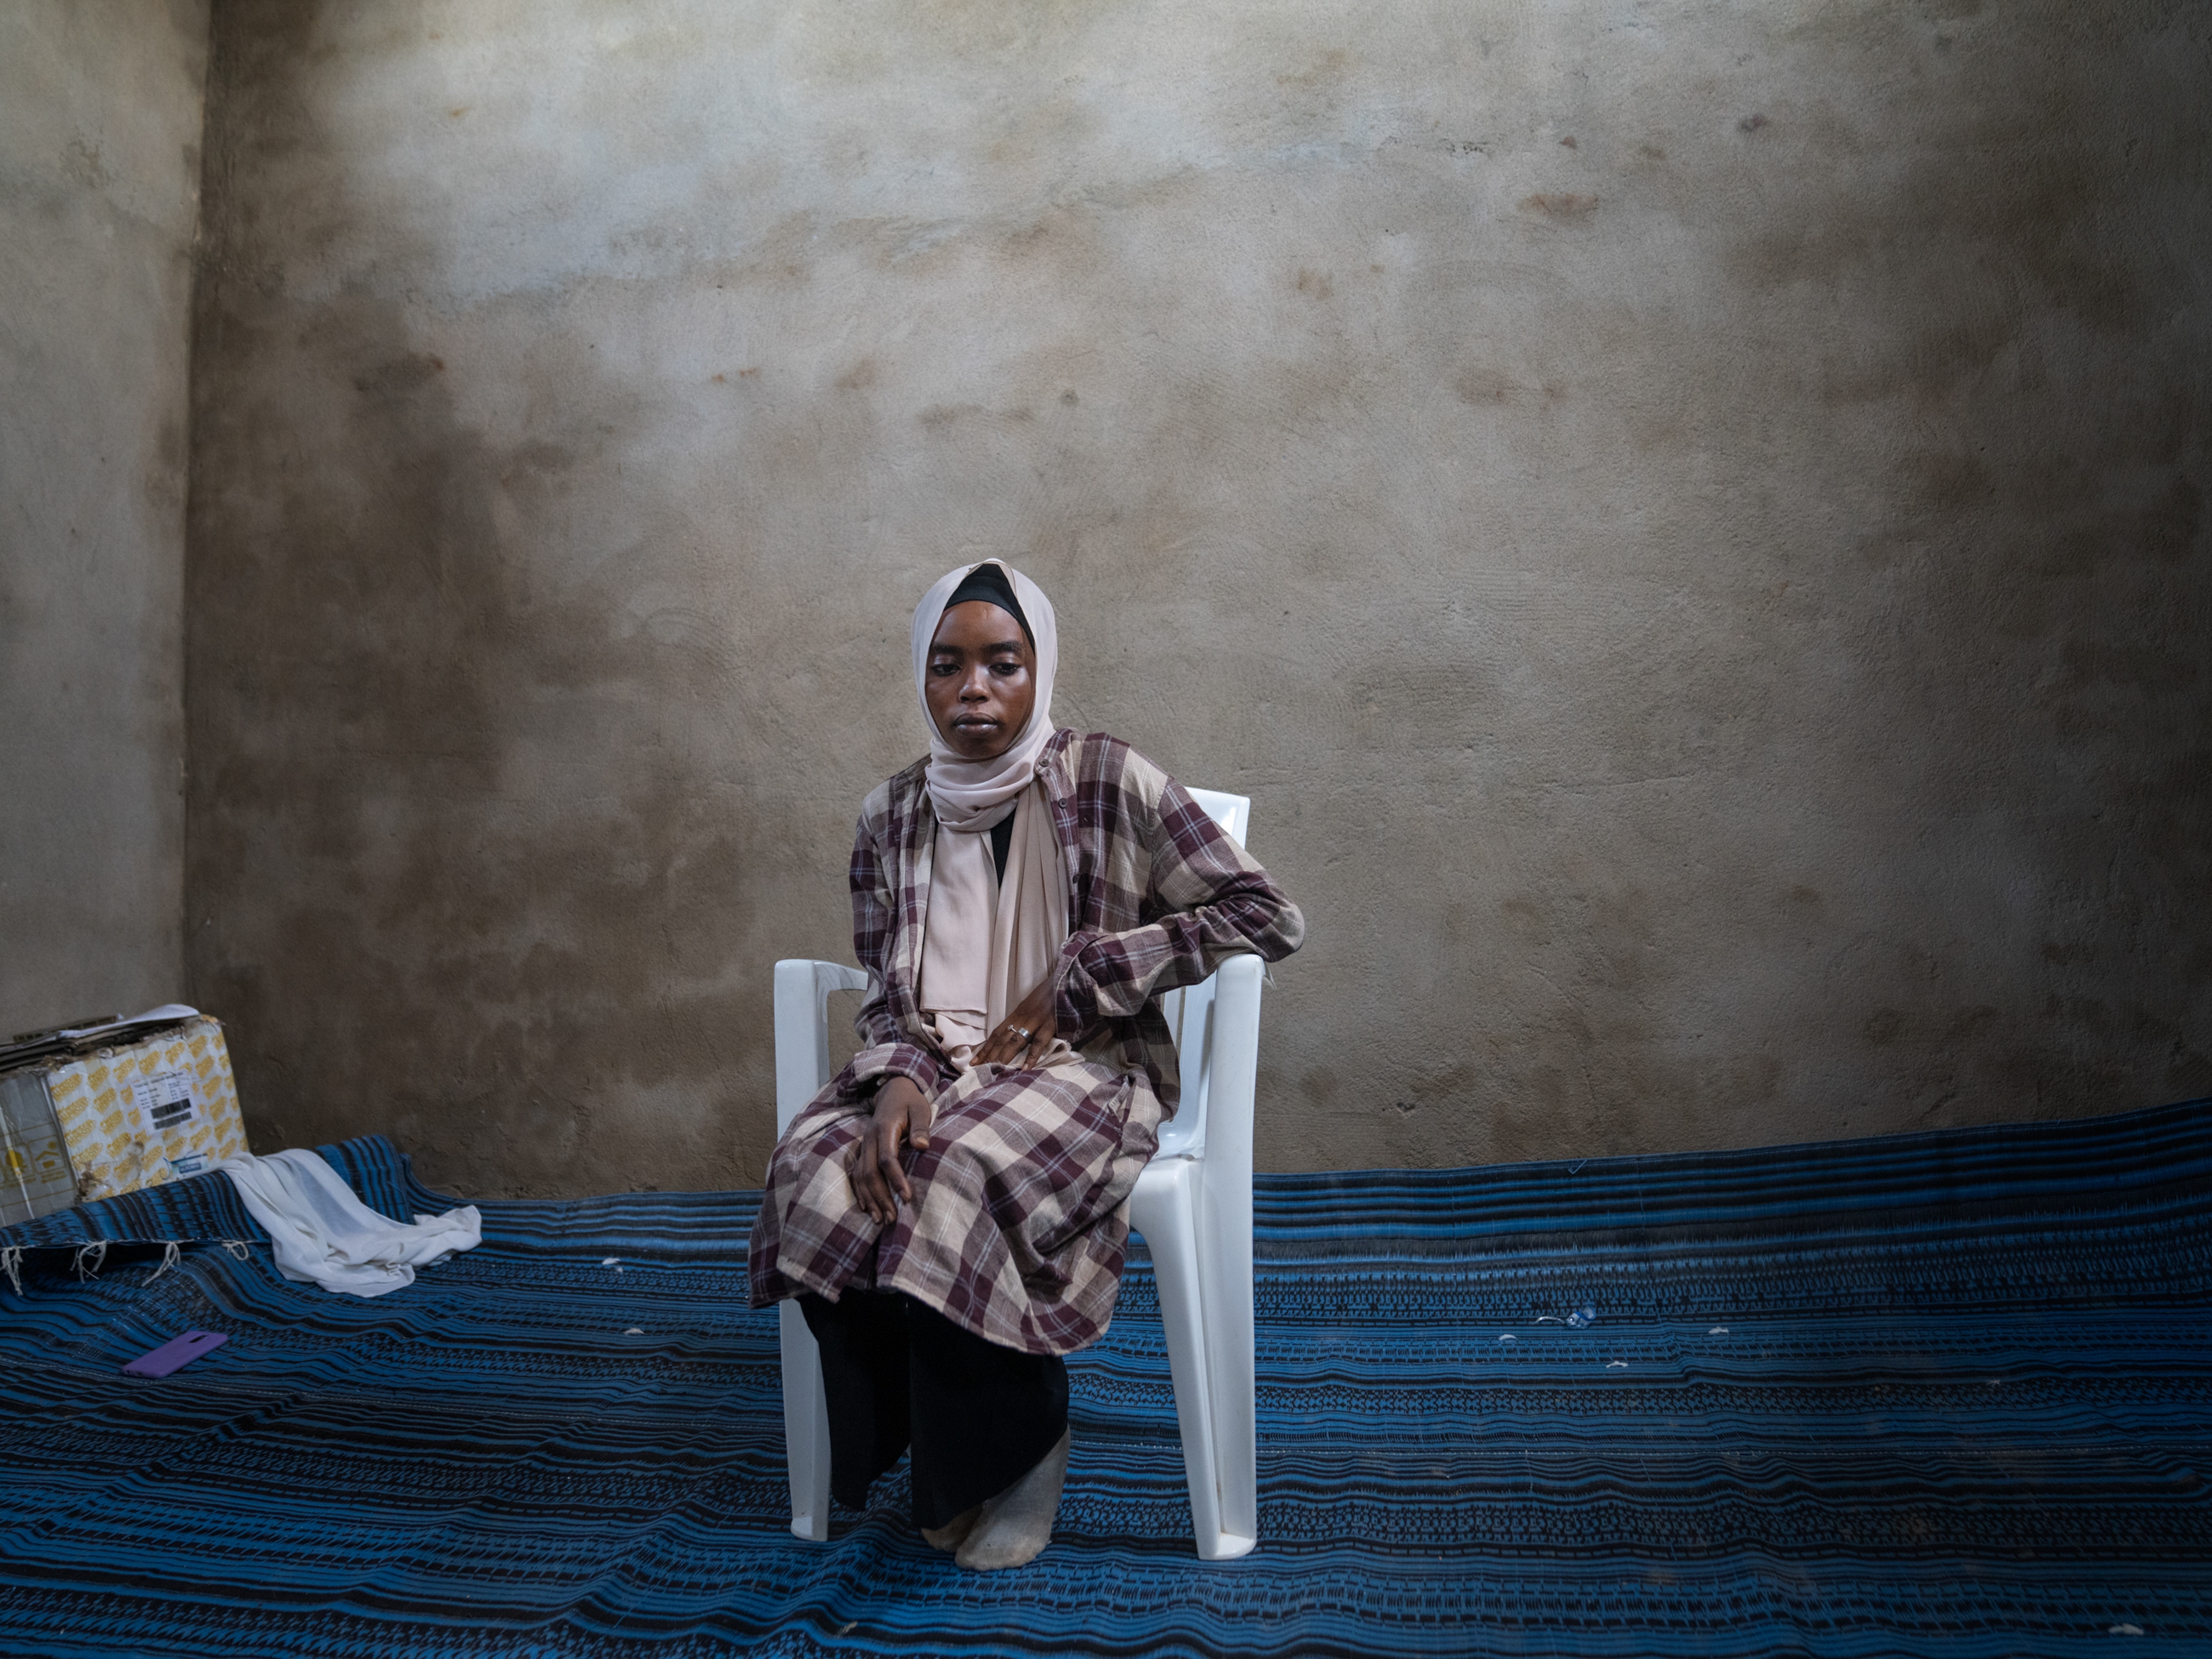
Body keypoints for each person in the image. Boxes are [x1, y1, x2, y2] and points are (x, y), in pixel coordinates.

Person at [747, 559, 1304, 1569]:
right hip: (938, 1063)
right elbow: (887, 985)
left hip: (1081, 1067)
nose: (975, 690)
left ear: (1039, 672)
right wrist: (903, 1076)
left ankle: (1022, 1450)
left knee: (951, 1171)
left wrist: (1091, 973)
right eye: (948, 666)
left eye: (1003, 664)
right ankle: (936, 1459)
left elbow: (1267, 916)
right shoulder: (890, 817)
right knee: (820, 1171)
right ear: (920, 679)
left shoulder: (1106, 777)